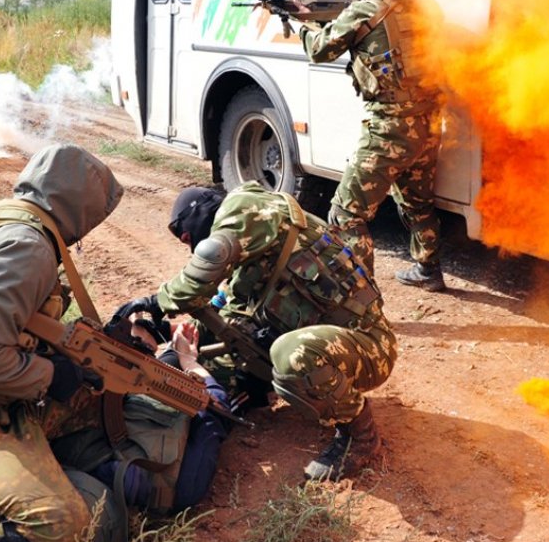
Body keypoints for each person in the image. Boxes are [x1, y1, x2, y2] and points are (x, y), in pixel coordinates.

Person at [0, 145, 230, 542]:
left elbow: (10, 323)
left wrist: (76, 358)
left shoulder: (5, 219)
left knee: (106, 399)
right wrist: (51, 375)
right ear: (78, 208)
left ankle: (38, 472)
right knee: (65, 523)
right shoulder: (26, 246)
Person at [152, 182, 398, 482]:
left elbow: (202, 271)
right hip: (330, 345)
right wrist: (171, 342)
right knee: (221, 366)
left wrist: (155, 303)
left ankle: (359, 436)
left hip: (370, 348)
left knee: (291, 356)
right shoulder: (258, 248)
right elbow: (228, 314)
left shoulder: (246, 210)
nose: (193, 248)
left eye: (190, 239)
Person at [299, 0, 448, 292]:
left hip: (390, 128)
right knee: (417, 201)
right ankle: (429, 269)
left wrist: (302, 27)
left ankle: (361, 297)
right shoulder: (424, 3)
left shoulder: (366, 9)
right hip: (428, 122)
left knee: (346, 213)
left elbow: (320, 49)